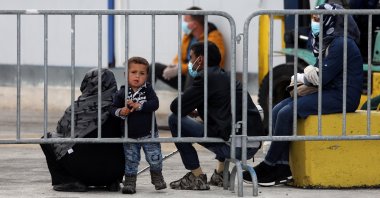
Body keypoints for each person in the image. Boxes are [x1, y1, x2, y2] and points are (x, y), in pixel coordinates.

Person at [243, 3, 363, 186]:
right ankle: (282, 166)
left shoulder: (341, 43)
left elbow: (320, 76)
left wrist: (303, 74)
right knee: (277, 110)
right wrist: (307, 75)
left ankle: (269, 165)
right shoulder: (328, 40)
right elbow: (317, 74)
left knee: (286, 112)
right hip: (330, 91)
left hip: (343, 96)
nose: (313, 22)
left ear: (330, 20)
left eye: (317, 19)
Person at [168, 41, 264, 190]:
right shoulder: (225, 77)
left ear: (200, 59)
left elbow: (176, 107)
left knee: (174, 120)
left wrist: (189, 109)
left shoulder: (206, 78)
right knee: (220, 125)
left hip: (234, 146)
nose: (190, 62)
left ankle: (196, 176)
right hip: (250, 144)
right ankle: (220, 174)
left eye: (191, 57)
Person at [40, 68, 124, 192]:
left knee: (47, 139)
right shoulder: (121, 109)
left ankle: (67, 181)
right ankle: (114, 182)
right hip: (114, 171)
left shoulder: (77, 108)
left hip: (82, 171)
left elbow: (60, 131)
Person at [109, 56, 167, 194]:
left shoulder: (148, 90)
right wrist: (120, 111)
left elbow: (155, 104)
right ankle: (130, 183)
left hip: (149, 133)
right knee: (131, 160)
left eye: (142, 73)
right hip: (129, 135)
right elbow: (112, 108)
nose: (137, 76)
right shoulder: (122, 92)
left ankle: (157, 177)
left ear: (147, 76)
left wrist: (139, 106)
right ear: (126, 74)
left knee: (155, 158)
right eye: (133, 72)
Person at [151, 6, 225, 90]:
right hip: (186, 76)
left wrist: (180, 68)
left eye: (186, 21)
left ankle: (187, 101)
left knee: (193, 69)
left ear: (194, 24)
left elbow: (206, 63)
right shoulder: (188, 36)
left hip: (206, 80)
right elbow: (180, 56)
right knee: (154, 67)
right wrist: (174, 66)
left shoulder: (214, 37)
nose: (183, 23)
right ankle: (141, 97)